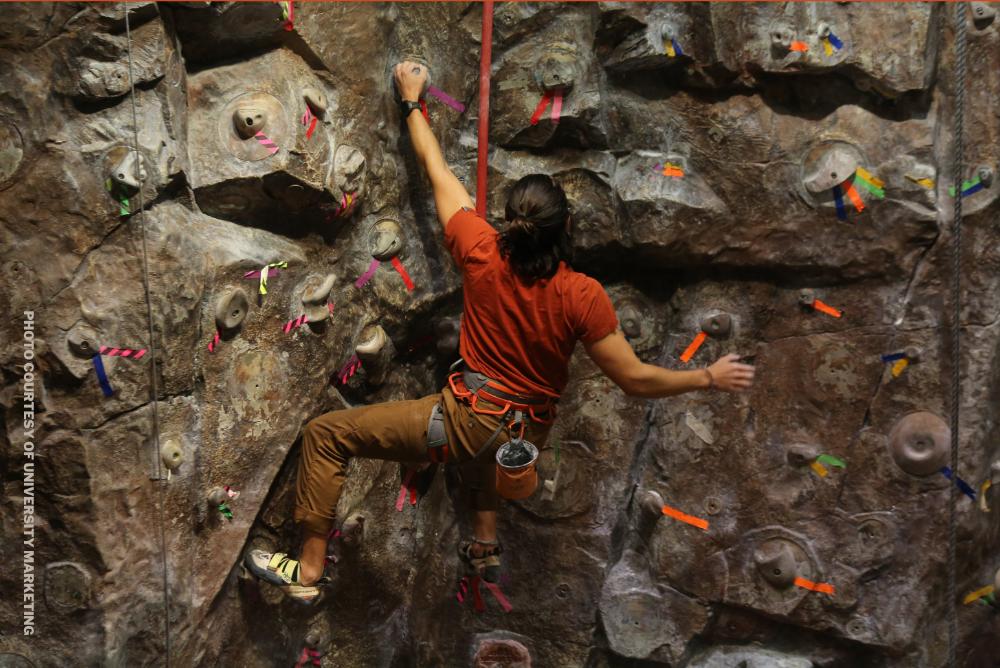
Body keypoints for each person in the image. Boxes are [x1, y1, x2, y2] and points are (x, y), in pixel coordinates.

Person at [245, 61, 755, 604]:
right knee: (489, 449)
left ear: (510, 221)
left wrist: (412, 101)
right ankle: (484, 543)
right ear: (566, 230)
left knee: (329, 434)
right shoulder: (582, 295)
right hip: (524, 435)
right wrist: (706, 375)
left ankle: (307, 571)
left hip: (468, 420)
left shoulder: (480, 248)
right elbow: (634, 379)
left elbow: (435, 167)